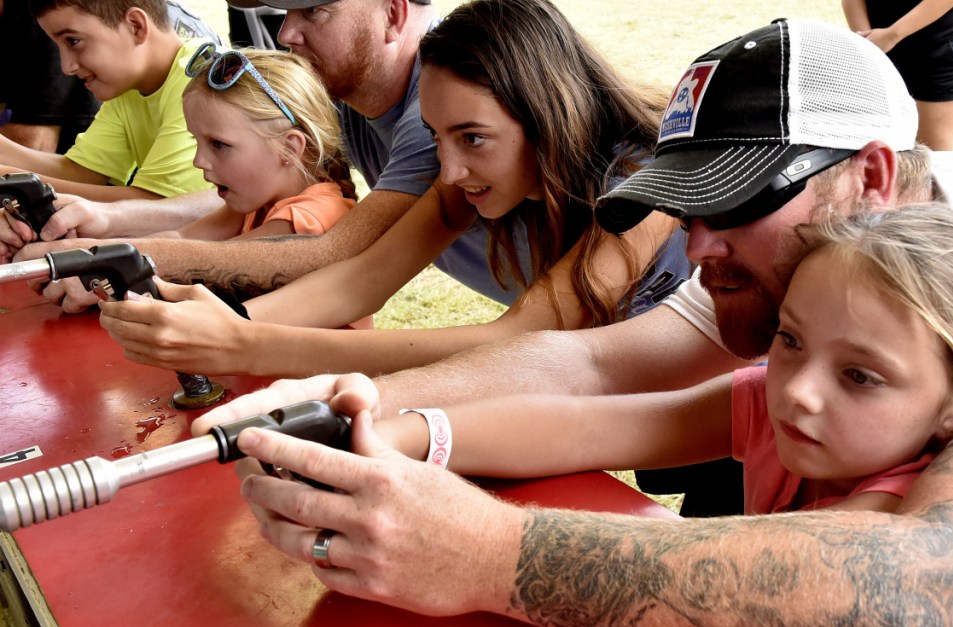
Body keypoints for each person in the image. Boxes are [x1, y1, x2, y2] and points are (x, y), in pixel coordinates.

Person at [192, 20, 953, 627]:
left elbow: (935, 593)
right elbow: (590, 369)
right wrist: (356, 408)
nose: (698, 249)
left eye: (736, 202)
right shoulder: (814, 283)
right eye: (689, 211)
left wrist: (481, 554)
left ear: (871, 175)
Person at [95, 0, 687, 379]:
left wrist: (246, 344)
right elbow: (359, 279)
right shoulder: (465, 170)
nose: (447, 171)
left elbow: (518, 337)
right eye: (434, 136)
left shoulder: (644, 183)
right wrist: (233, 321)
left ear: (547, 116)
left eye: (473, 138)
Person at [366, 205, 953, 517]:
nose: (800, 390)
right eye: (790, 340)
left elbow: (723, 564)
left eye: (859, 376)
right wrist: (407, 434)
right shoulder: (771, 402)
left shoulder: (895, 508)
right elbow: (591, 426)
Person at [4, 0, 440, 306]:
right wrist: (100, 228)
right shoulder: (255, 195)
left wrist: (106, 259)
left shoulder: (308, 214)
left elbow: (238, 264)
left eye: (313, 10)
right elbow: (181, 238)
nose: (285, 33)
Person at [0, 0, 212, 204]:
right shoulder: (129, 86)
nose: (66, 67)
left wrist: (10, 179)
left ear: (135, 26)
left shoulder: (200, 84)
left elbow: (158, 206)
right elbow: (83, 173)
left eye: (73, 41)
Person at [147, 44, 357, 242]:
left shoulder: (307, 218)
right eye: (197, 140)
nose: (198, 161)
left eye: (218, 144)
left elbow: (206, 259)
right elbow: (180, 238)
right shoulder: (257, 200)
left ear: (289, 148)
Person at [842, 0, 953, 151]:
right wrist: (867, 43)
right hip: (875, 44)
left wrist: (892, 35)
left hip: (936, 42)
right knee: (873, 149)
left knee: (933, 152)